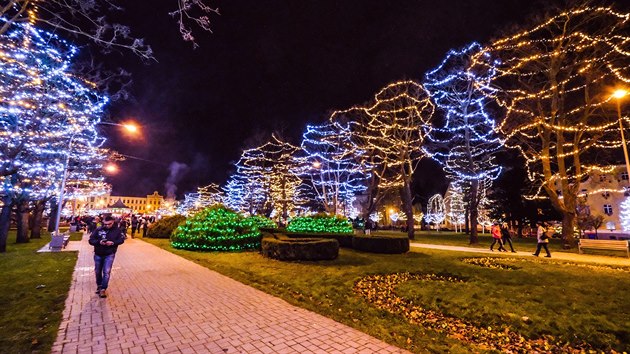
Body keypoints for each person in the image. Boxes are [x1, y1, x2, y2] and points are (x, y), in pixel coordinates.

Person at [88, 215, 125, 298]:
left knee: (106, 272)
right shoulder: (98, 230)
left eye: (109, 224)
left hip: (109, 254)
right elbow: (91, 240)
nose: (107, 226)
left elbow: (121, 240)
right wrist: (99, 242)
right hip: (98, 253)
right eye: (105, 224)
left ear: (113, 222)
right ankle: (99, 285)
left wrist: (113, 243)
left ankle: (103, 289)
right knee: (97, 271)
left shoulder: (117, 230)